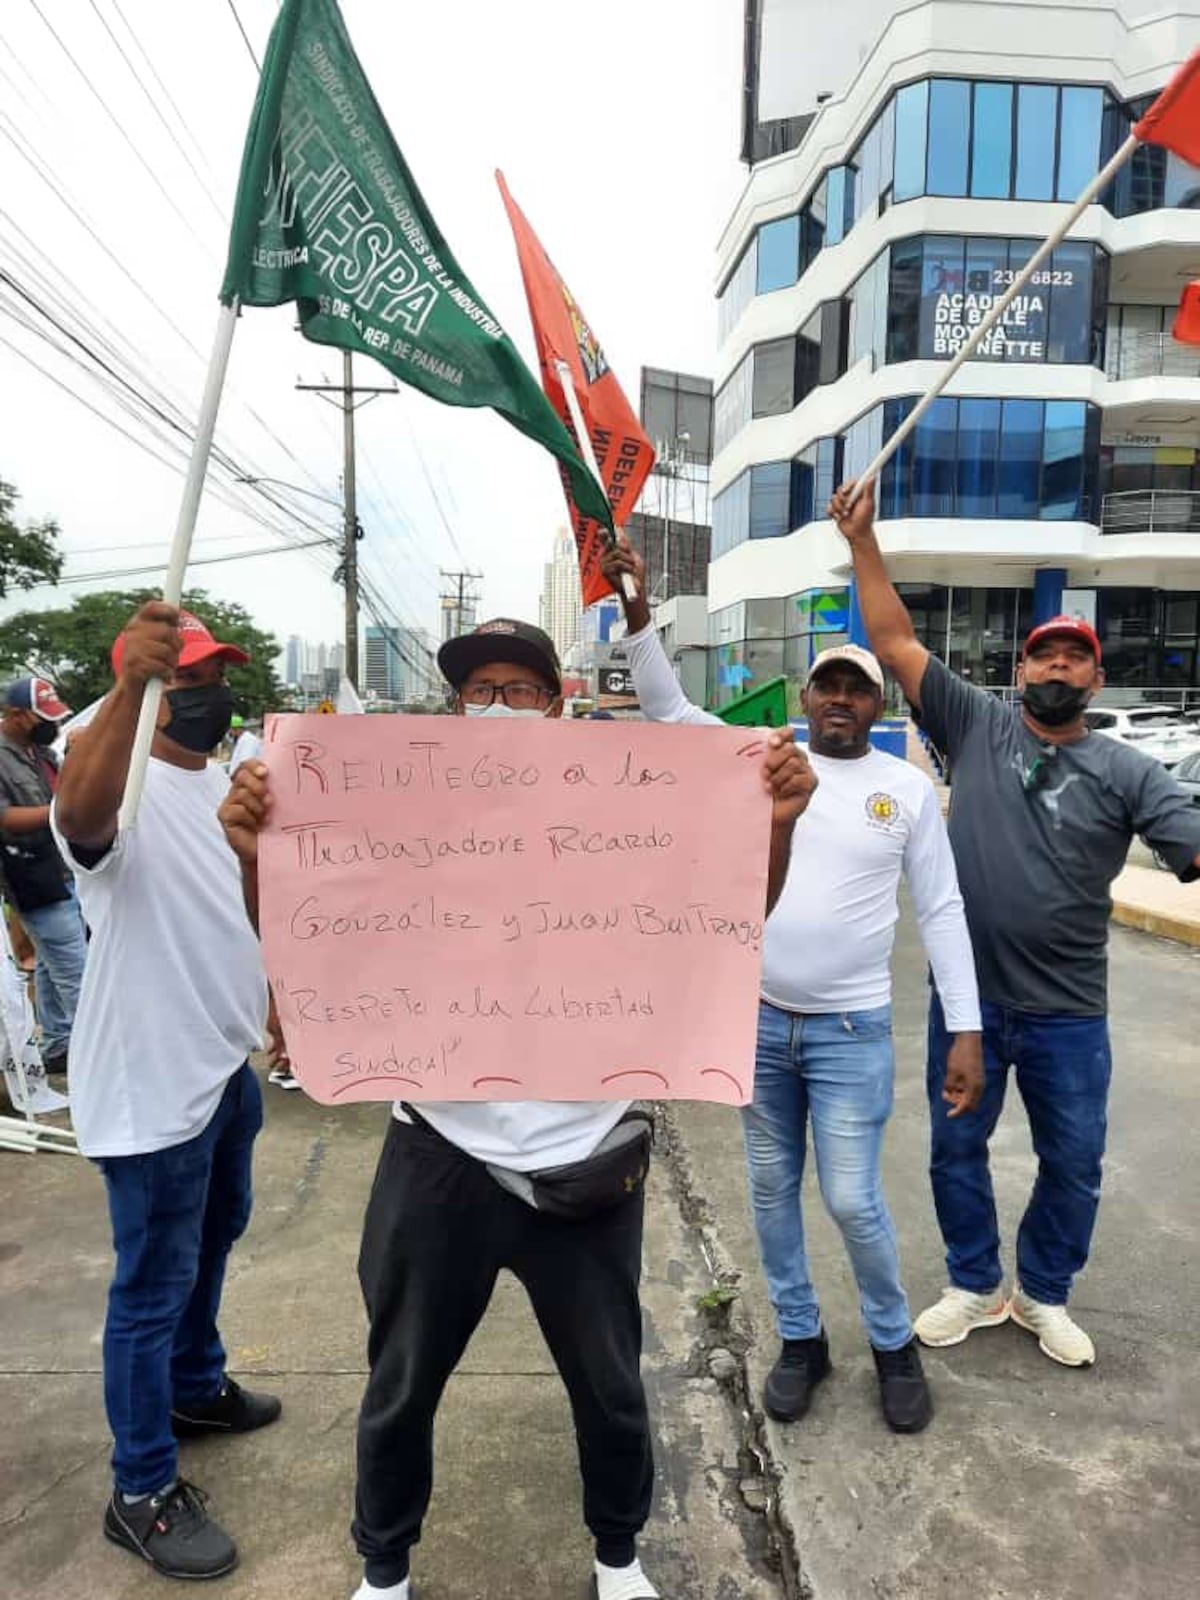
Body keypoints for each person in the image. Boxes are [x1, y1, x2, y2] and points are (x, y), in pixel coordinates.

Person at [219, 615, 816, 1600]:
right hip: (438, 1150)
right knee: (402, 1382)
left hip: (586, 1157)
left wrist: (778, 826)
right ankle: (384, 1567)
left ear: (560, 701)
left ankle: (618, 1556)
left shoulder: (621, 809)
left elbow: (725, 921)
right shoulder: (401, 817)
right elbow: (314, 941)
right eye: (478, 689)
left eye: (519, 688)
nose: (497, 705)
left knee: (613, 1387)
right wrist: (258, 851)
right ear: (455, 706)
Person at [600, 540, 983, 1435]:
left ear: (876, 703)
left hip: (853, 1031)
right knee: (772, 1191)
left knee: (851, 1197)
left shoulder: (907, 790)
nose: (841, 701)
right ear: (806, 699)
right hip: (760, 1025)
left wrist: (964, 1030)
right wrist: (638, 611)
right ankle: (801, 1339)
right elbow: (665, 708)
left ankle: (892, 1343)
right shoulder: (759, 758)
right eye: (828, 688)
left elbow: (944, 911)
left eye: (857, 688)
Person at [830, 479, 1200, 1367]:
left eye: (1076, 660)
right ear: (1022, 672)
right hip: (969, 1007)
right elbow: (893, 640)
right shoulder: (978, 725)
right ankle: (971, 1282)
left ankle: (1042, 1294)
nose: (1059, 670)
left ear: (1096, 678)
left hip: (1070, 1012)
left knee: (1073, 1162)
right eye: (1046, 659)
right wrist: (865, 543)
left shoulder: (1130, 772)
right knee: (956, 1151)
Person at [52, 602, 283, 1581]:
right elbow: (81, 821)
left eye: (208, 675)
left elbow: (244, 904)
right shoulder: (114, 767)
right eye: (181, 677)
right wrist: (126, 691)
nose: (203, 692)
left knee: (218, 1235)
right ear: (143, 681)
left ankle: (196, 1385)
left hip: (223, 1068)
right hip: (152, 1090)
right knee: (149, 1289)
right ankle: (140, 1487)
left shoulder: (220, 778)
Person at [0, 675, 88, 1074]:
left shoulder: (42, 754)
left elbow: (66, 791)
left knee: (53, 969)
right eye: (42, 717)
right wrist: (61, 815)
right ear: (16, 715)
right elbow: (6, 818)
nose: (49, 724)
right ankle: (98, 1056)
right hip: (32, 876)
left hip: (62, 870)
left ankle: (58, 1045)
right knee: (79, 973)